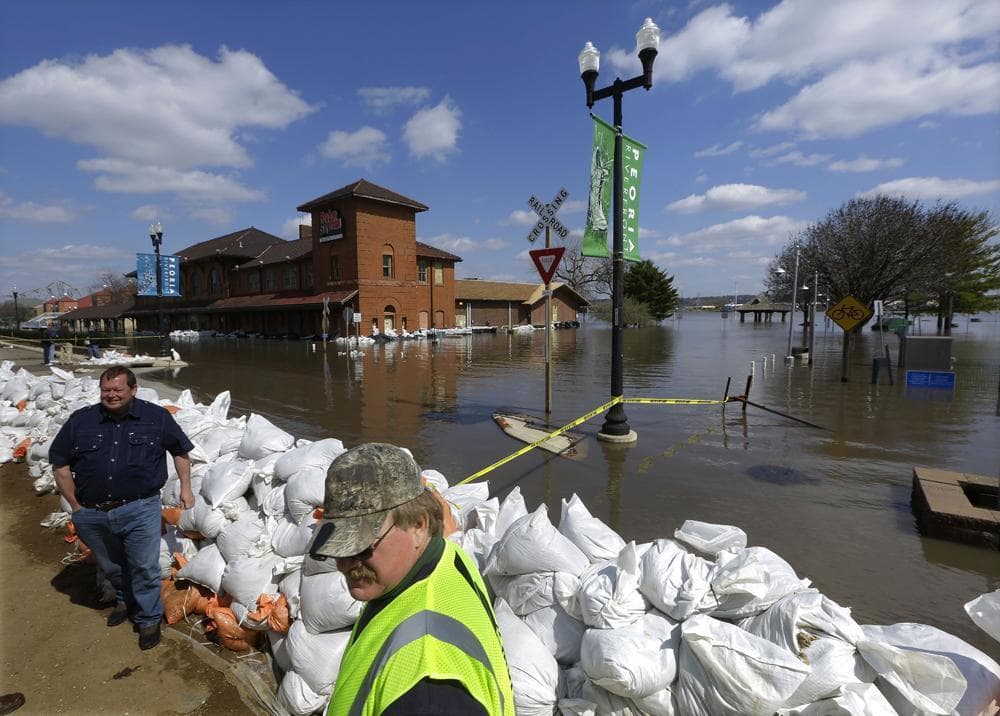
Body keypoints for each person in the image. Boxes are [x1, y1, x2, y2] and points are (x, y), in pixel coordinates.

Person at [309, 443, 513, 715]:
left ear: (419, 525)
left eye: (361, 546)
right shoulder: (448, 558)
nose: (345, 564)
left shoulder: (427, 690)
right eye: (338, 548)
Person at [49, 366, 195, 650]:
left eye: (118, 390)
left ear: (133, 389)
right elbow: (60, 463)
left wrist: (186, 488)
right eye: (106, 390)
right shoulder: (82, 421)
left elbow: (180, 450)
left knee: (143, 566)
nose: (111, 395)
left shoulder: (156, 418)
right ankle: (123, 600)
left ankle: (148, 618)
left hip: (139, 507)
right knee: (111, 565)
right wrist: (76, 507)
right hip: (92, 512)